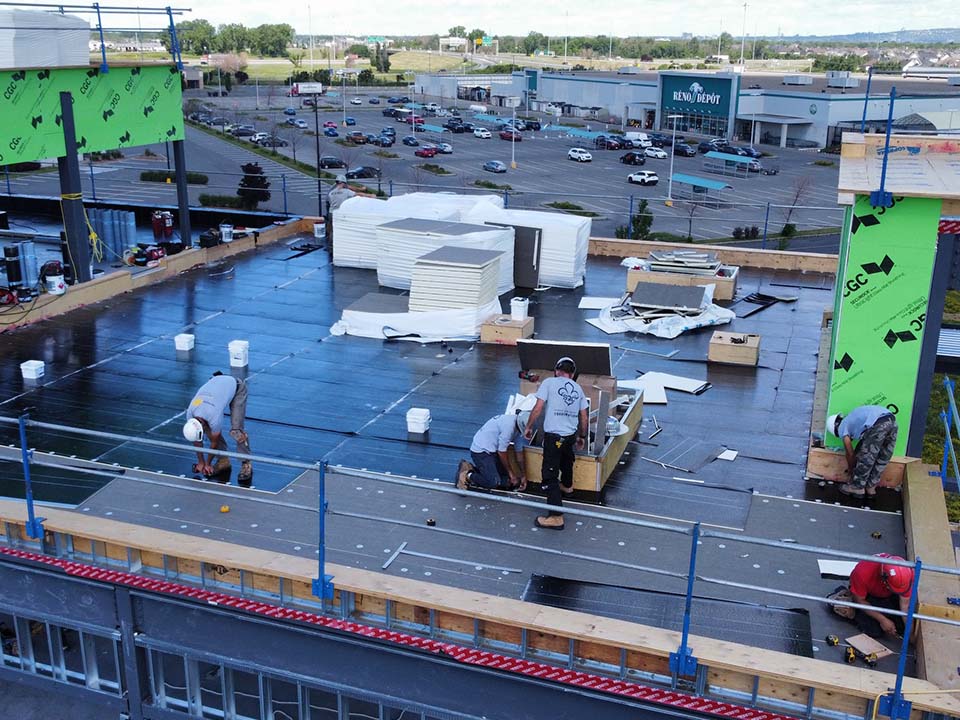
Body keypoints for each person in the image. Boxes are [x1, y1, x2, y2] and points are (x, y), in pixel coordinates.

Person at [523, 357, 589, 530]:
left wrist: (529, 426)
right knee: (567, 460)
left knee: (549, 474)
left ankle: (556, 516)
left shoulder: (549, 383)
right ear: (572, 373)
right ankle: (567, 487)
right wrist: (582, 436)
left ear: (556, 370)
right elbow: (584, 416)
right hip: (570, 435)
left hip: (554, 437)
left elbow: (538, 408)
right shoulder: (578, 389)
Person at [183, 372, 253, 488]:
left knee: (236, 432)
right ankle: (223, 461)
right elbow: (197, 440)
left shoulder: (213, 415)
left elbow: (214, 442)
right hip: (218, 386)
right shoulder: (191, 413)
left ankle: (246, 463)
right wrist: (201, 462)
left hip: (237, 388)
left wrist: (208, 464)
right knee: (209, 430)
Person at [831, 554, 916, 639]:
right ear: (884, 580)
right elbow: (860, 600)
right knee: (874, 630)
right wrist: (882, 620)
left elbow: (905, 607)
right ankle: (847, 601)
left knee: (901, 626)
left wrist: (910, 634)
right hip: (867, 596)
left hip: (886, 594)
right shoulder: (862, 572)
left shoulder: (905, 574)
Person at [827, 406, 898, 497]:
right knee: (882, 457)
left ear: (835, 428)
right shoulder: (852, 419)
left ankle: (857, 488)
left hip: (878, 423)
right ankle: (870, 487)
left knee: (866, 458)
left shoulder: (842, 427)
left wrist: (851, 469)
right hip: (892, 421)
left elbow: (850, 453)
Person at [456, 409, 531, 492]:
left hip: (493, 452)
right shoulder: (508, 427)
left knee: (507, 482)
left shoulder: (520, 429)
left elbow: (519, 454)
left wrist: (523, 475)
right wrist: (512, 474)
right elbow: (501, 452)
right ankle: (467, 475)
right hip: (481, 451)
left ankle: (474, 469)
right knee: (493, 482)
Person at [326, 176, 375, 251]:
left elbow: (329, 202)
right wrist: (370, 196)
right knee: (342, 229)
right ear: (342, 183)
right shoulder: (346, 192)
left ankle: (331, 247)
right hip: (340, 214)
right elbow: (359, 194)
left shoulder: (331, 193)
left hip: (331, 213)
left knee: (332, 230)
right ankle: (341, 246)